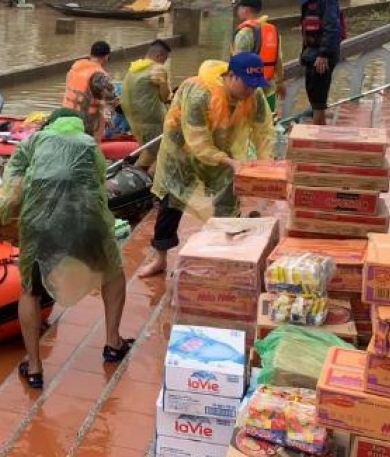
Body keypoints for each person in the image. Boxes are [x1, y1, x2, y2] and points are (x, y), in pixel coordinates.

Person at [0, 109, 133, 388]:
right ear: (79, 127)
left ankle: (34, 367)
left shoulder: (32, 143)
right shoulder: (90, 145)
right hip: (87, 222)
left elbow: (12, 193)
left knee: (30, 290)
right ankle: (113, 342)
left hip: (40, 227)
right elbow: (99, 187)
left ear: (49, 125)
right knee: (113, 273)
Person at [136, 53, 276, 279]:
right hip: (182, 152)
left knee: (228, 200)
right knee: (172, 203)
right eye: (246, 84)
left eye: (255, 86)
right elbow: (197, 140)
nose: (250, 91)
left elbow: (264, 130)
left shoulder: (254, 94)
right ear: (231, 76)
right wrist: (230, 161)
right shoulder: (200, 92)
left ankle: (224, 255)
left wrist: (265, 164)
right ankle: (159, 259)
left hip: (222, 148)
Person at [295, 0, 344, 125]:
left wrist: (324, 54)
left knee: (318, 99)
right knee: (313, 95)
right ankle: (318, 130)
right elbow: (307, 26)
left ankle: (317, 135)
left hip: (321, 55)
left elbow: (331, 25)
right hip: (311, 52)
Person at [120, 39, 172, 169]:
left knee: (149, 152)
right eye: (164, 59)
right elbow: (164, 97)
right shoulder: (158, 69)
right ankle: (142, 179)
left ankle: (133, 173)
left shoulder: (134, 68)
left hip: (134, 122)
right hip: (152, 123)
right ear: (159, 56)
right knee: (161, 154)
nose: (164, 63)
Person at [232, 0, 283, 113]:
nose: (238, 10)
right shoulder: (272, 31)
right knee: (266, 127)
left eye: (239, 7)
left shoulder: (244, 34)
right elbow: (278, 61)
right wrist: (281, 81)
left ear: (246, 9)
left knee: (246, 129)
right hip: (269, 90)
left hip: (249, 93)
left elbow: (239, 65)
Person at [63, 40, 118, 138]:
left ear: (90, 54)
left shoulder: (75, 68)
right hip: (86, 121)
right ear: (106, 57)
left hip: (66, 116)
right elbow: (112, 101)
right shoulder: (98, 75)